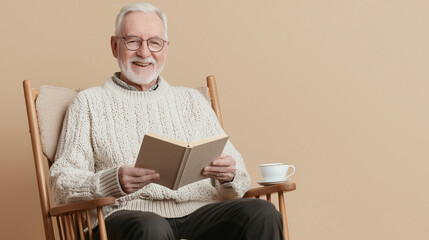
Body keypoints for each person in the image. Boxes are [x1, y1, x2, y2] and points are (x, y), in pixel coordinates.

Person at [49, 2, 284, 240]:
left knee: (262, 212)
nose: (144, 52)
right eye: (132, 41)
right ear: (114, 45)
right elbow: (61, 183)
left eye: (154, 42)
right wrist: (113, 181)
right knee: (151, 227)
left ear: (166, 49)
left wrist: (229, 175)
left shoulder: (192, 100)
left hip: (200, 213)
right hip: (130, 216)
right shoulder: (88, 102)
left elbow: (241, 178)